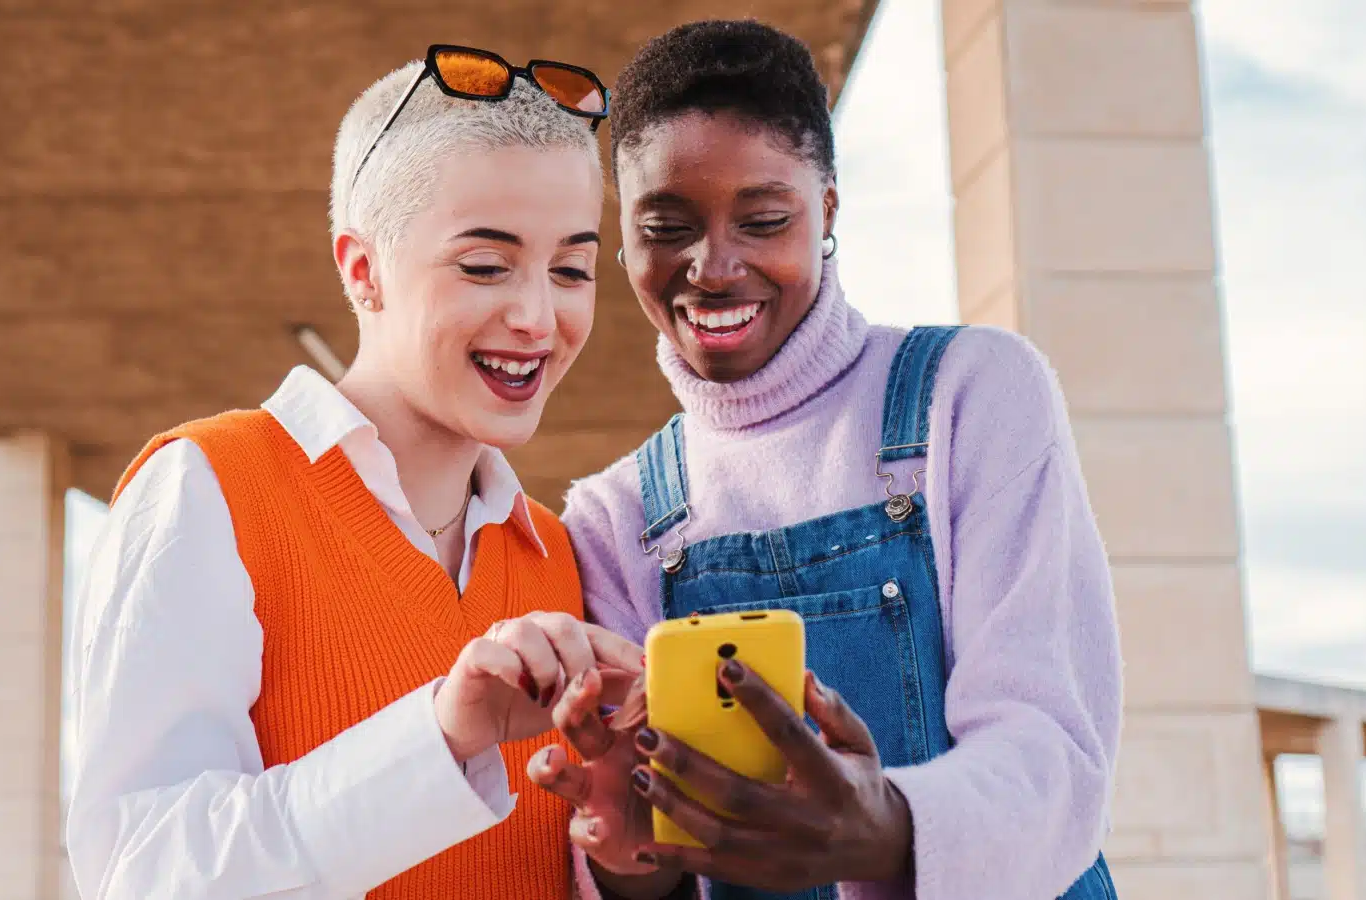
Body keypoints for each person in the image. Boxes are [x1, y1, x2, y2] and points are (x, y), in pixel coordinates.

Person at [528, 20, 1123, 900]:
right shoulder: (615, 519)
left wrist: (888, 831)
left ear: (829, 211)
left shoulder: (973, 394)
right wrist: (623, 854)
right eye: (666, 227)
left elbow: (1053, 754)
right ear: (625, 241)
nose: (714, 266)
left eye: (765, 220)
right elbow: (645, 868)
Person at [66, 46, 644, 900]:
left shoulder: (554, 552)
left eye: (572, 269)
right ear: (362, 269)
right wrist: (440, 739)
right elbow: (146, 873)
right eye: (485, 265)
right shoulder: (207, 486)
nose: (536, 317)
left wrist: (631, 848)